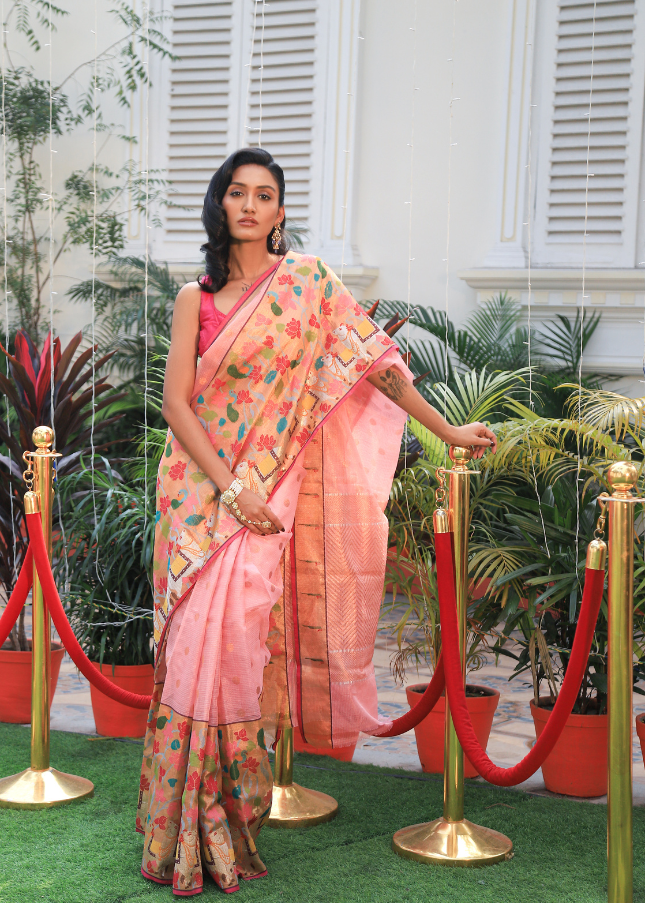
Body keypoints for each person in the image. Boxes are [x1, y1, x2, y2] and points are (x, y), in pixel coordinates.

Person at [137, 147, 496, 896]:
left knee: (237, 649)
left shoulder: (307, 285)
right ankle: (178, 833)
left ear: (280, 210)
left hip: (269, 501)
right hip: (203, 497)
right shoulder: (191, 298)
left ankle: (227, 829)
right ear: (219, 203)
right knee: (197, 650)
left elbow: (379, 367)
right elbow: (175, 403)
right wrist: (231, 487)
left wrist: (447, 431)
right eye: (236, 192)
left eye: (264, 195)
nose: (249, 205)